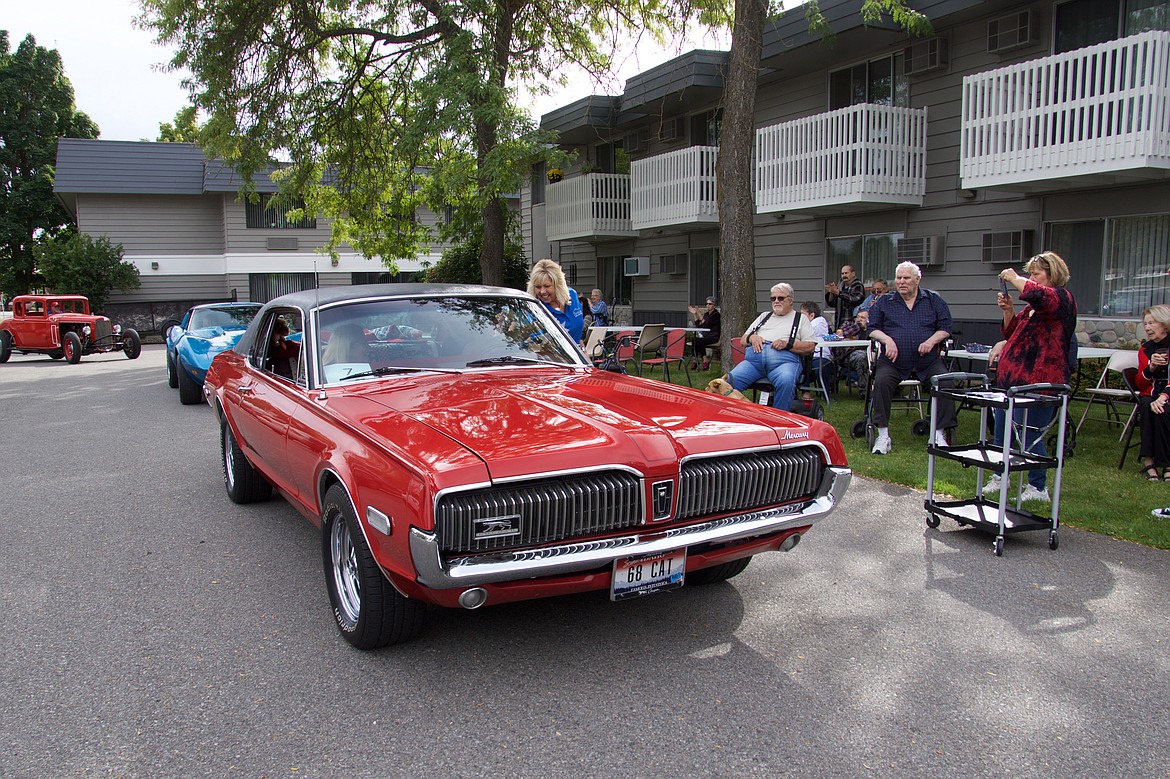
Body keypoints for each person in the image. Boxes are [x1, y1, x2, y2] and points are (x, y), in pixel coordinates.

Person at [982, 252, 1077, 502]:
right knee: (1002, 432)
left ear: (1052, 274)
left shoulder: (1062, 299)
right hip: (1012, 382)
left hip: (1041, 382)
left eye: (1036, 274)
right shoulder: (1032, 311)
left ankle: (1038, 487)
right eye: (1030, 274)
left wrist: (1015, 278)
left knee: (1030, 435)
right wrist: (1010, 310)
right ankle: (1000, 477)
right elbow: (1012, 332)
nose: (1031, 278)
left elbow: (1039, 294)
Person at [866, 261, 955, 454]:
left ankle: (939, 433)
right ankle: (883, 435)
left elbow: (946, 328)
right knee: (881, 381)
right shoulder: (885, 302)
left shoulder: (933, 301)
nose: (901, 282)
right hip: (894, 362)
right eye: (899, 278)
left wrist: (931, 341)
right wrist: (887, 340)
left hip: (927, 360)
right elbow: (872, 329)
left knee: (945, 381)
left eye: (906, 278)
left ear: (917, 279)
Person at [727, 283, 814, 410]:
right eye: (773, 298)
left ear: (791, 300)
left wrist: (788, 344)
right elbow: (743, 340)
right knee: (727, 383)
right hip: (753, 364)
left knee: (786, 381)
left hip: (783, 363)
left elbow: (810, 346)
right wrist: (752, 337)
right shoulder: (764, 316)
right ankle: (732, 418)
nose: (776, 301)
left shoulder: (800, 319)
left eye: (780, 298)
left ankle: (778, 420)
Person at [1134, 305, 1170, 482]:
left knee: (1164, 410)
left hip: (1168, 393)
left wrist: (1164, 397)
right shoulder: (1145, 349)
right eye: (1146, 323)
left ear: (1165, 324)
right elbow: (1140, 384)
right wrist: (1151, 367)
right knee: (1147, 406)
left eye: (1152, 323)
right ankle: (1149, 461)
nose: (1147, 327)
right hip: (1151, 392)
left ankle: (1166, 463)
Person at [528, 259, 584, 343]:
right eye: (538, 287)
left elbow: (578, 331)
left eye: (547, 286)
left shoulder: (572, 295)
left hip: (576, 354)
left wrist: (582, 350)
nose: (542, 291)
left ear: (558, 285)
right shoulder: (535, 310)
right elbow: (533, 344)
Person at [835, 309, 871, 395]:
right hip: (848, 356)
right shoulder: (849, 324)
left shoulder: (873, 329)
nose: (859, 319)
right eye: (857, 317)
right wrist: (858, 326)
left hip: (872, 356)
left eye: (862, 318)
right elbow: (840, 334)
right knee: (861, 356)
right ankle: (864, 392)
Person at [801, 300, 833, 392]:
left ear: (812, 315)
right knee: (801, 364)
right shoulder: (810, 324)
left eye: (803, 315)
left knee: (804, 365)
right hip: (810, 356)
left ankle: (806, 392)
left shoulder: (818, 323)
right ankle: (804, 392)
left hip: (820, 356)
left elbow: (804, 333)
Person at [688, 297, 722, 370]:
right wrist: (695, 314)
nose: (708, 305)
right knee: (695, 340)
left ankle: (704, 361)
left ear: (714, 305)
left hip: (713, 336)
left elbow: (707, 324)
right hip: (706, 336)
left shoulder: (716, 315)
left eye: (710, 304)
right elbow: (699, 326)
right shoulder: (706, 314)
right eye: (706, 304)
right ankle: (696, 360)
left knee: (699, 341)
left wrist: (700, 314)